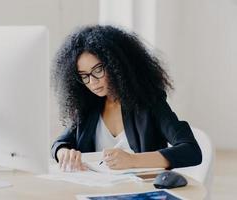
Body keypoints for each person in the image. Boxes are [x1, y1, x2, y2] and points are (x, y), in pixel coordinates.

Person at [51, 25, 202, 172]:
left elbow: (191, 151)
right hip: (96, 191)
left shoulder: (149, 102)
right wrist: (64, 153)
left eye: (98, 70)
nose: (92, 81)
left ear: (116, 64)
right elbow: (60, 143)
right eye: (84, 75)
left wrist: (132, 160)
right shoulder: (88, 106)